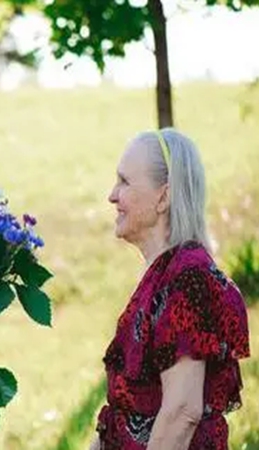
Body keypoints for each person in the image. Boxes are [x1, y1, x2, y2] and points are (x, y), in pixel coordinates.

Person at [90, 128, 250, 450]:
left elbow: (181, 412)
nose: (112, 195)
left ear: (163, 197)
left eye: (124, 181)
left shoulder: (187, 279)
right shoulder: (165, 276)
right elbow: (120, 416)